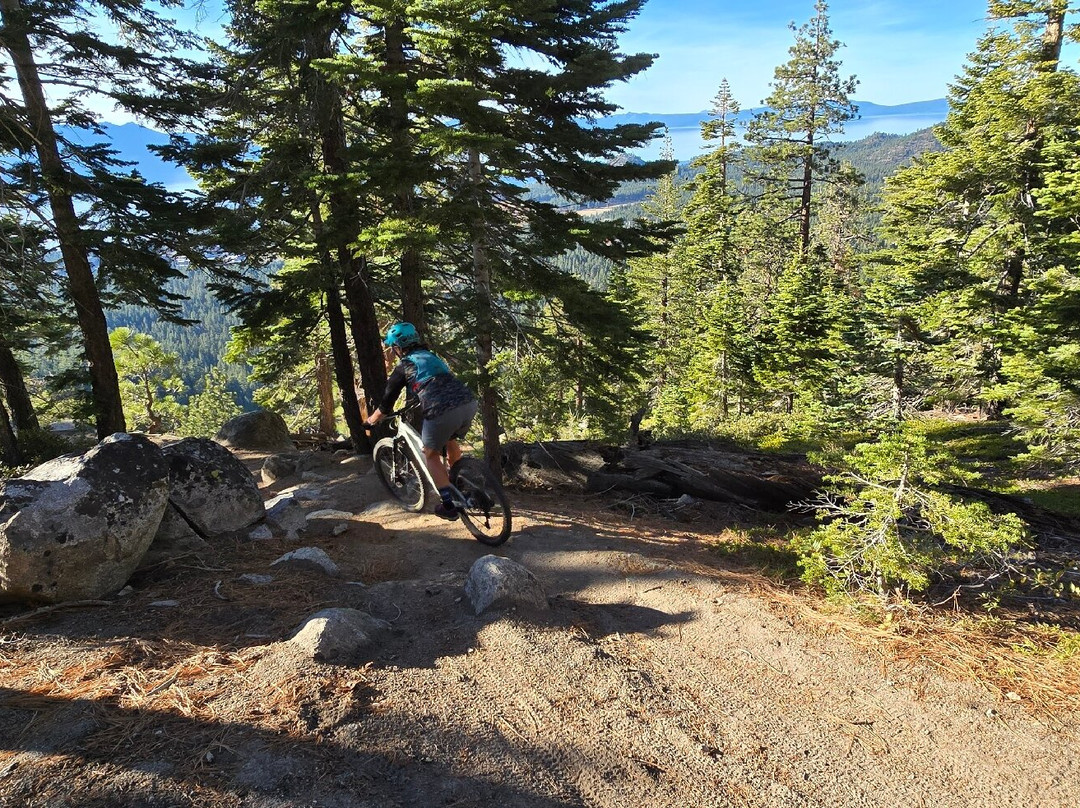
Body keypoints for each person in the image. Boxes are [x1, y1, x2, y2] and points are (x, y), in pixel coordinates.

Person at [365, 322, 478, 520]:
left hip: (441, 409)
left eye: (394, 348)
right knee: (450, 440)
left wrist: (371, 421)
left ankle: (448, 506)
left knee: (430, 454)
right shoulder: (432, 357)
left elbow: (386, 403)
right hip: (467, 402)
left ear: (398, 347)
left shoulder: (405, 365)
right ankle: (458, 481)